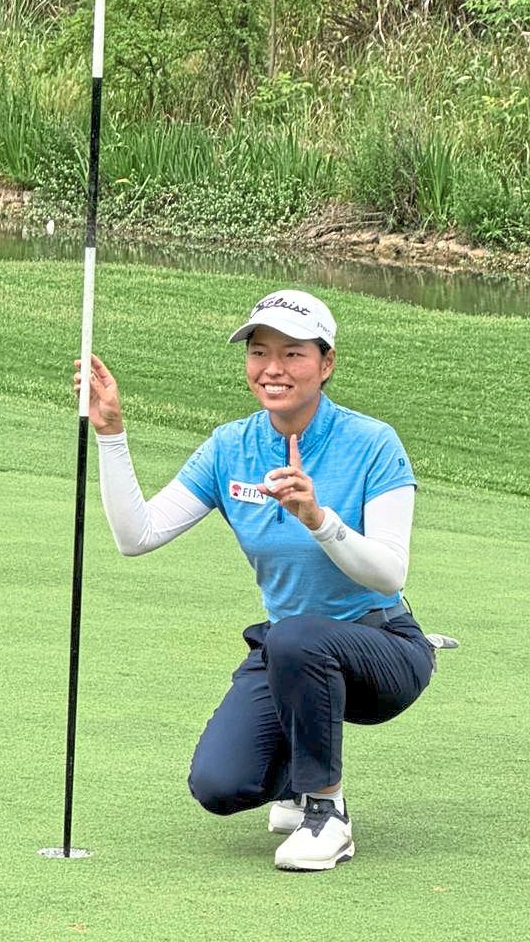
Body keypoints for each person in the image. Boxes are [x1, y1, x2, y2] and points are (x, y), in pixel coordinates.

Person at [74, 288, 437, 872]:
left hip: (384, 647)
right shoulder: (230, 447)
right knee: (220, 785)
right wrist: (111, 433)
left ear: (327, 363)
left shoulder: (373, 443)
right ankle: (296, 782)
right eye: (260, 352)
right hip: (294, 653)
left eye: (293, 354)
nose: (273, 368)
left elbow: (391, 569)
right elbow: (136, 536)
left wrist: (320, 520)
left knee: (295, 637)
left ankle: (327, 812)